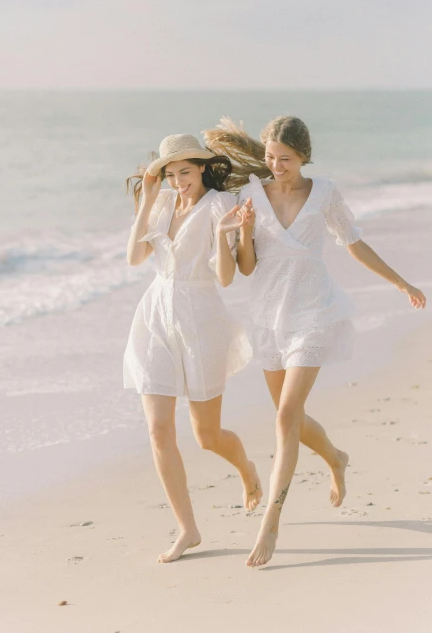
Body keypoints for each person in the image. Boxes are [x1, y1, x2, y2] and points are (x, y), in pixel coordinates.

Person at [204, 116, 426, 567]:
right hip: (268, 317)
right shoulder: (250, 195)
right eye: (269, 157)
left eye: (285, 159)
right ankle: (336, 457)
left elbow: (354, 243)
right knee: (293, 419)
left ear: (304, 156)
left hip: (312, 312)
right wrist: (243, 231)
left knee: (285, 416)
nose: (276, 166)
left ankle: (271, 522)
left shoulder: (324, 193)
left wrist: (400, 282)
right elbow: (246, 268)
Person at [124, 133, 262, 563]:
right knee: (158, 429)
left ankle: (248, 470)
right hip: (155, 316)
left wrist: (225, 235)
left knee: (206, 435)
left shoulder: (221, 206)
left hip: (201, 318)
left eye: (185, 171)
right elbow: (134, 258)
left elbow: (226, 278)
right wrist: (147, 199)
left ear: (202, 167)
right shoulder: (162, 204)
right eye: (170, 173)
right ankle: (187, 529)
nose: (178, 180)